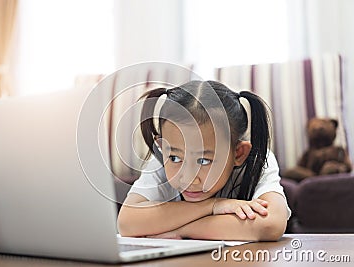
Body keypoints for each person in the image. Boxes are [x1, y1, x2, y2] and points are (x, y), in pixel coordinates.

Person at [117, 80, 290, 241]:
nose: (188, 178)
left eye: (203, 161)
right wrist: (213, 206)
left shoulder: (258, 161)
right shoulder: (161, 160)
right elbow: (126, 223)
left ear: (238, 153)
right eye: (175, 158)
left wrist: (180, 230)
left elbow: (270, 224)